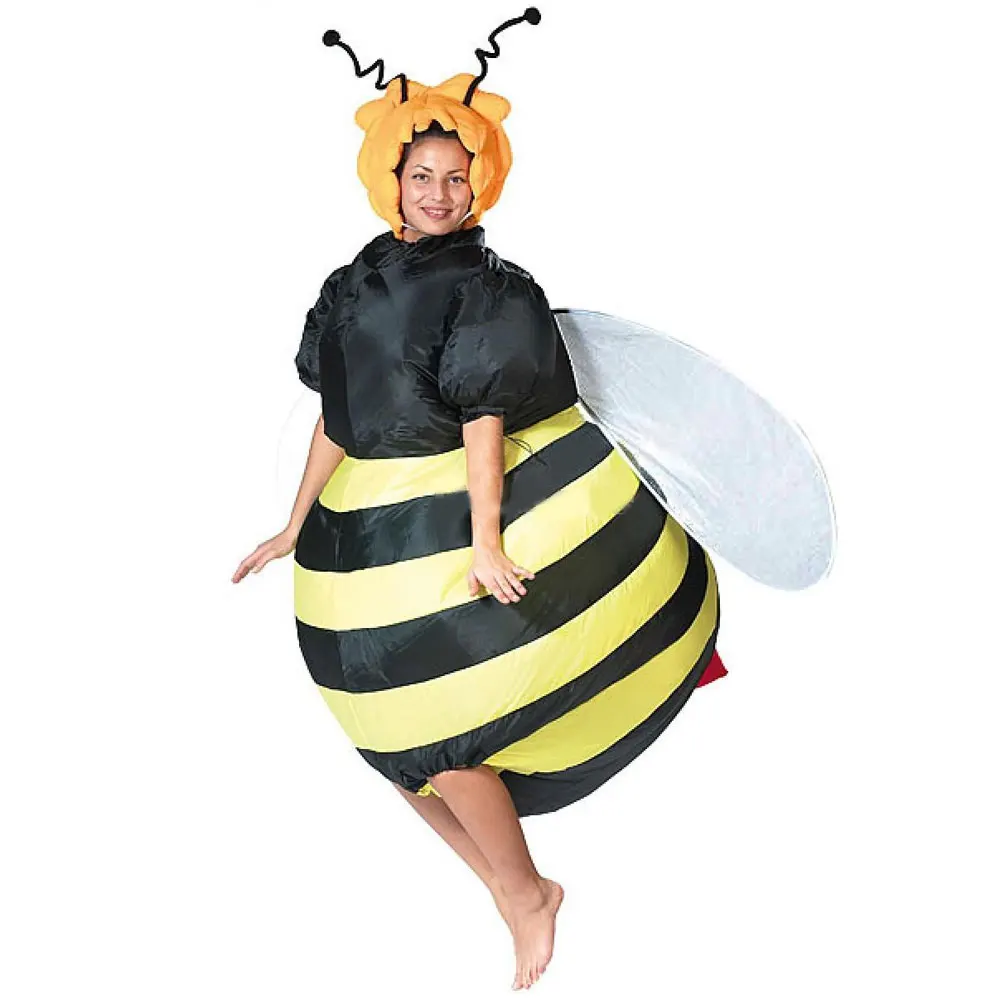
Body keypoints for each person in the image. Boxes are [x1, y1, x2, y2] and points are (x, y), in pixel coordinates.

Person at [233, 29, 725, 991]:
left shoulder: (491, 289)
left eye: (457, 177)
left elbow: (485, 418)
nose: (440, 192)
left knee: (441, 732)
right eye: (422, 175)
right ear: (391, 180)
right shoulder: (351, 284)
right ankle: (512, 890)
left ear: (480, 183)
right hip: (367, 531)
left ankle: (524, 892)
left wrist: (487, 539)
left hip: (457, 516)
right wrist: (293, 524)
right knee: (394, 748)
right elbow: (339, 414)